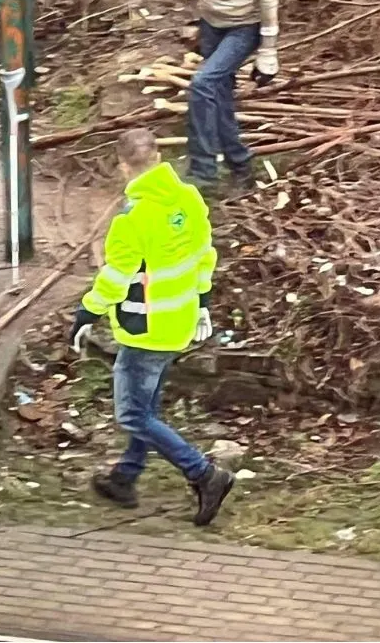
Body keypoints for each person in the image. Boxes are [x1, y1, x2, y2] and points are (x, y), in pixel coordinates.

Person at [69, 128, 234, 526]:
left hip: (145, 330)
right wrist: (203, 304)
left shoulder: (132, 220)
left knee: (132, 415)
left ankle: (203, 474)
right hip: (180, 323)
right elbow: (204, 256)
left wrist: (86, 314)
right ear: (160, 157)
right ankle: (125, 477)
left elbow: (115, 279)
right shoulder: (189, 199)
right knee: (147, 407)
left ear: (124, 166)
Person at [169, 0, 280, 193]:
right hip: (211, 22)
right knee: (219, 95)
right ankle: (241, 166)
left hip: (244, 25)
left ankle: (203, 172)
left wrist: (268, 50)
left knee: (203, 84)